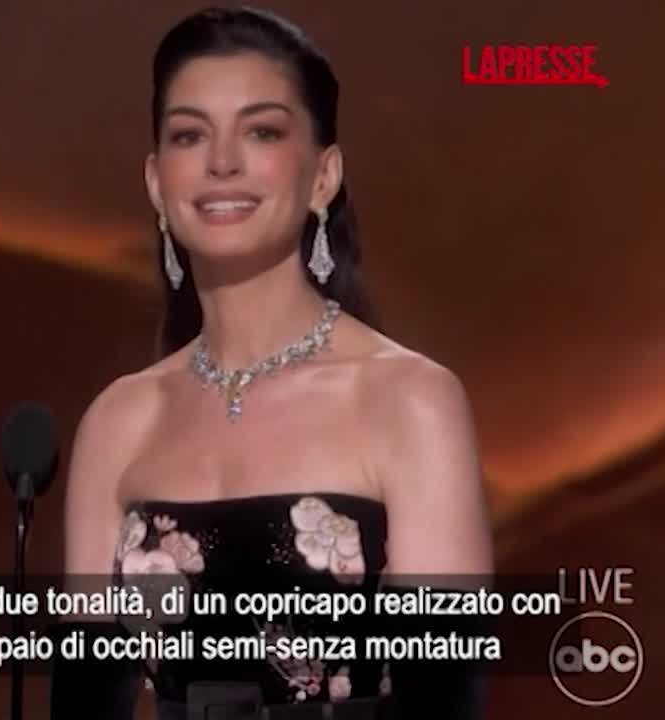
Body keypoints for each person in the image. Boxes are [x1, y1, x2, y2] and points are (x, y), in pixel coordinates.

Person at [52, 7, 493, 719]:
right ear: (158, 183)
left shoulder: (410, 400)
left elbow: (444, 701)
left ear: (324, 176)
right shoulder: (118, 419)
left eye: (261, 131)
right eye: (190, 135)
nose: (221, 162)